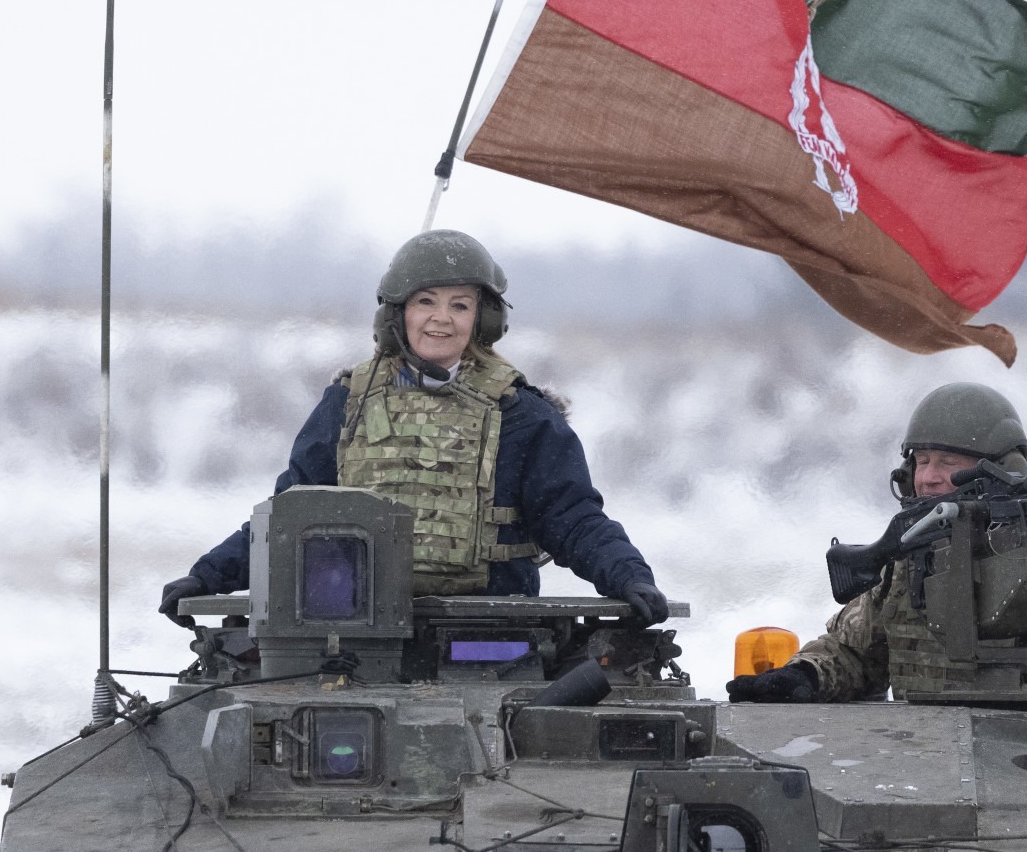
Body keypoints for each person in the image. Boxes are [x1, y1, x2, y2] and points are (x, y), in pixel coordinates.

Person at [158, 230, 666, 626]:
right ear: (399, 313)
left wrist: (628, 577)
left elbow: (572, 517)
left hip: (490, 633)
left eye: (460, 305)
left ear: (483, 319)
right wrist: (208, 576)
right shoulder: (348, 404)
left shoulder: (521, 416)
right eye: (425, 301)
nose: (441, 319)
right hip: (355, 631)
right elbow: (289, 518)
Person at [726, 382, 1027, 704]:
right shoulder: (908, 557)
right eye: (921, 462)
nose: (927, 477)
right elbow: (852, 654)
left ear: (999, 470)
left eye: (947, 463)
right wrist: (805, 676)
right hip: (921, 756)